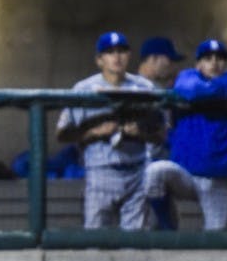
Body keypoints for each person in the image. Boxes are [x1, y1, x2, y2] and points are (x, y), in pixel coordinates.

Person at [55, 31, 164, 231]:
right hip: (100, 171)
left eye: (121, 51)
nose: (116, 56)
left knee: (135, 244)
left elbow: (161, 133)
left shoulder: (144, 87)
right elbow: (62, 133)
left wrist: (139, 133)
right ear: (99, 60)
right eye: (110, 52)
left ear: (129, 55)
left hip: (136, 170)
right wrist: (95, 132)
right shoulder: (83, 88)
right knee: (96, 241)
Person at [144, 39, 227, 231]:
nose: (214, 62)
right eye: (208, 58)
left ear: (226, 63)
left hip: (218, 180)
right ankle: (168, 226)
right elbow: (191, 90)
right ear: (198, 64)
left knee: (217, 240)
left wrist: (215, 88)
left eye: (219, 58)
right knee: (155, 173)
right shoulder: (187, 77)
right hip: (185, 175)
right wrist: (222, 91)